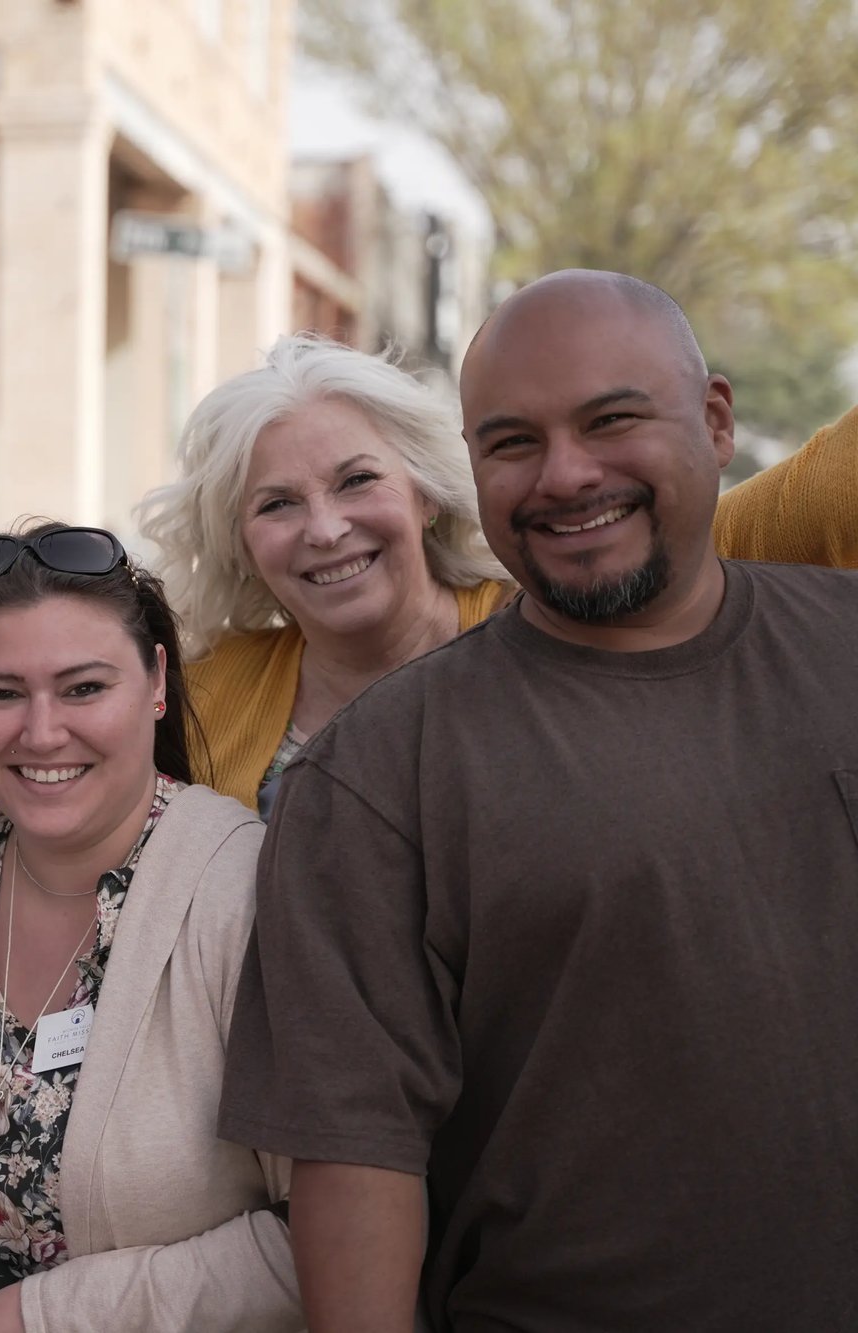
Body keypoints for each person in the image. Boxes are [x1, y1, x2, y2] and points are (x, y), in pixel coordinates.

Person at [217, 271, 858, 1330]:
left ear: (713, 422)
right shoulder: (374, 777)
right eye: (511, 442)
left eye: (610, 420)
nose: (565, 474)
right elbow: (354, 1164)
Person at [138, 332, 858, 818]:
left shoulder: (572, 615)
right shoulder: (201, 697)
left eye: (357, 480)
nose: (325, 529)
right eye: (278, 504)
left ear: (424, 492)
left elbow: (822, 491)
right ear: (241, 539)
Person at [0, 523, 301, 1333]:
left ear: (155, 680)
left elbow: (333, 1234)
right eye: (0, 692)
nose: (42, 733)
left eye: (83, 688)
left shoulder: (247, 897)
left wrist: (48, 1317)